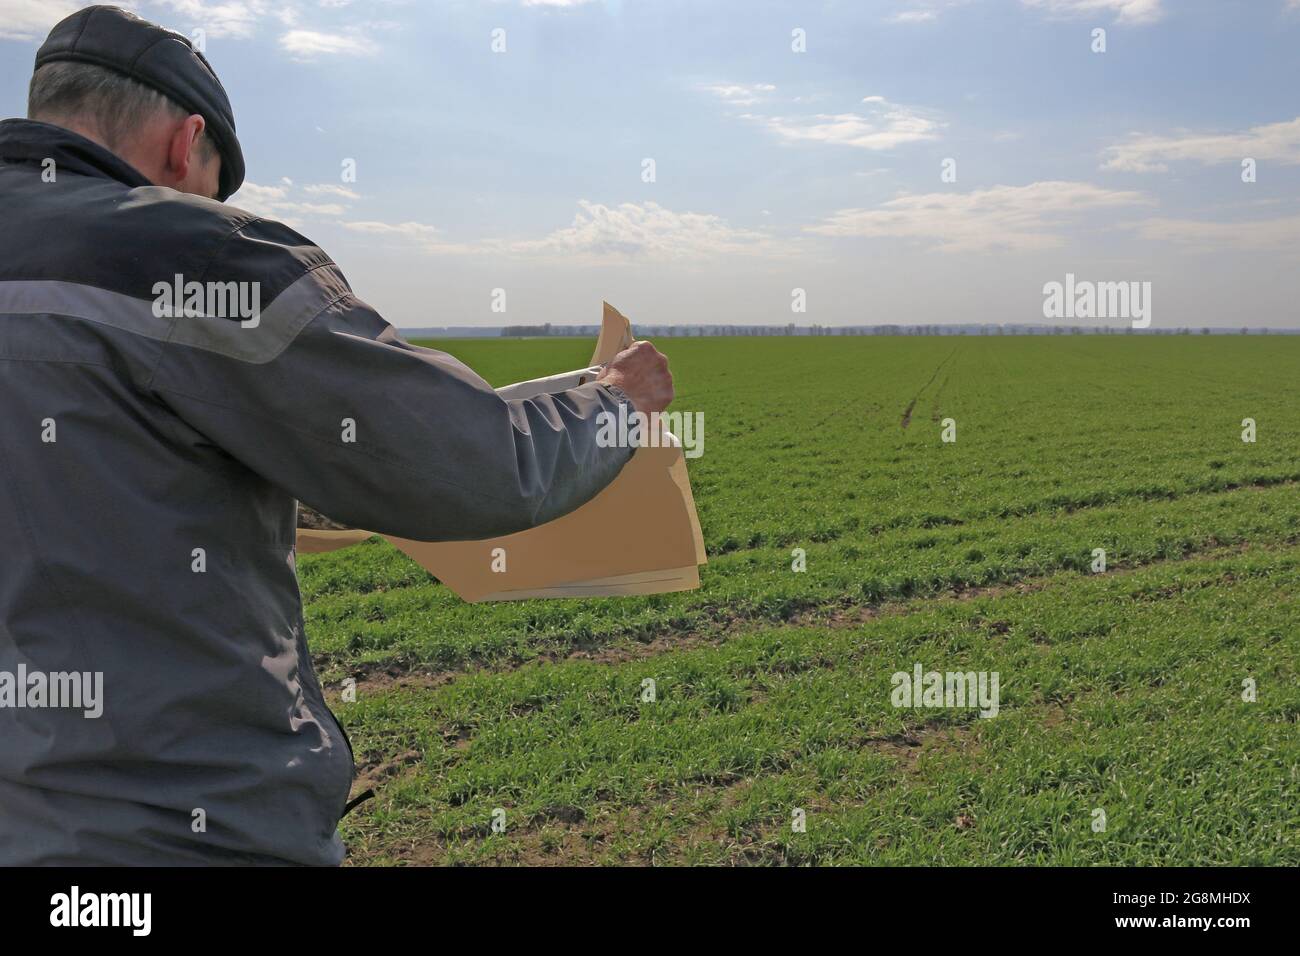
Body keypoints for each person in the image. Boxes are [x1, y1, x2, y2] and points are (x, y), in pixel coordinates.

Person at [0, 4, 673, 865]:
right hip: (180, 828)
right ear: (185, 143)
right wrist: (613, 400)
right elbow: (468, 460)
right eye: (211, 179)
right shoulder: (189, 256)